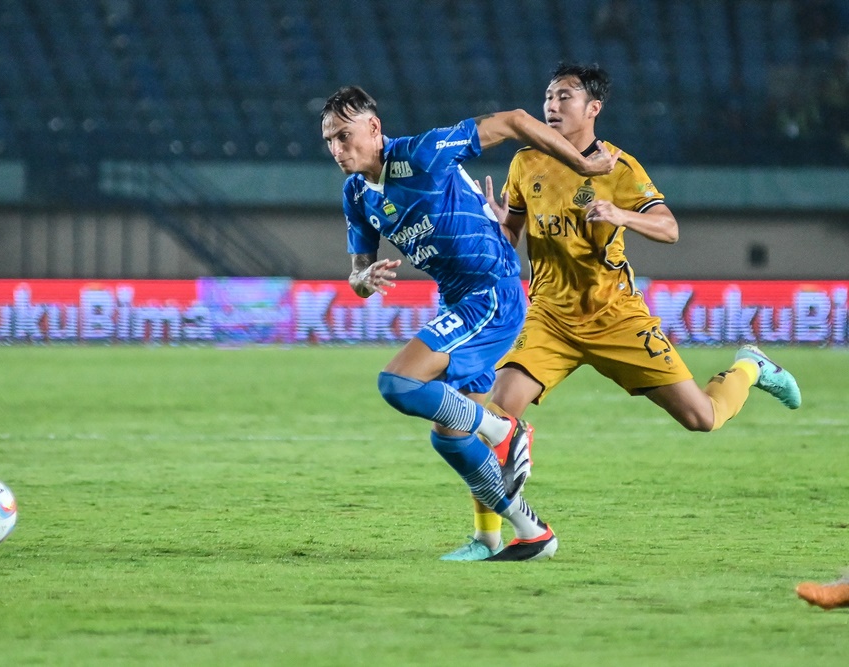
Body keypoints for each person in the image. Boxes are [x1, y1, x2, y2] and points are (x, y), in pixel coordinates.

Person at [440, 63, 803, 562]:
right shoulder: (525, 163)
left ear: (593, 109)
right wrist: (499, 225)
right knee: (494, 416)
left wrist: (619, 214)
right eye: (548, 96)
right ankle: (488, 538)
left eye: (564, 96)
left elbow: (669, 228)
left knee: (702, 417)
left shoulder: (620, 168)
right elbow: (512, 240)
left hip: (616, 318)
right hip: (549, 318)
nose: (552, 105)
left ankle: (750, 366)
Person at [320, 85, 619, 552]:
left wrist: (582, 164)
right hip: (455, 300)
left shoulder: (421, 153)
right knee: (452, 437)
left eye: (344, 135)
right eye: (330, 142)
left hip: (491, 294)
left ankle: (505, 430)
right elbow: (358, 270)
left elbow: (517, 119)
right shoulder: (357, 194)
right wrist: (362, 279)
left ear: (374, 128)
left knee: (398, 384)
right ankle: (520, 534)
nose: (337, 149)